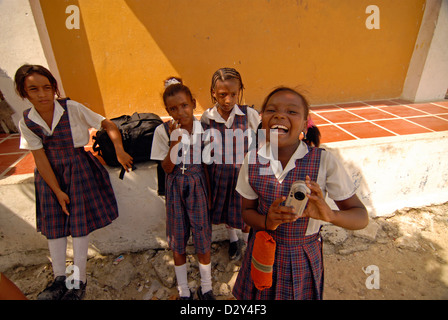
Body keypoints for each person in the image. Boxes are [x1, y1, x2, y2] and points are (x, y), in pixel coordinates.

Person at [232, 87, 368, 300]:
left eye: (292, 112)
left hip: (301, 258)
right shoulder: (252, 160)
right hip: (260, 250)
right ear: (262, 120)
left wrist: (330, 215)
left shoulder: (324, 161)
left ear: (305, 124)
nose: (280, 115)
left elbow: (361, 217)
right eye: (271, 110)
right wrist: (267, 221)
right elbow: (246, 212)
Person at [15, 64, 133, 300]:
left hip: (79, 170)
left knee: (79, 225)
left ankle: (78, 280)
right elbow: (40, 158)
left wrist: (119, 151)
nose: (42, 94)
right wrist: (56, 190)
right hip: (50, 177)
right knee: (54, 226)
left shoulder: (72, 108)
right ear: (23, 93)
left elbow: (107, 124)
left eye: (47, 88)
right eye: (34, 89)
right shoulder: (27, 122)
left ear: (54, 89)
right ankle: (60, 278)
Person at [151, 77, 214, 300]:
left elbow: (207, 166)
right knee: (178, 240)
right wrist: (174, 143)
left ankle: (206, 287)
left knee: (202, 237)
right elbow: (167, 168)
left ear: (194, 103)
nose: (180, 112)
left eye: (184, 105)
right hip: (175, 186)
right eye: (173, 109)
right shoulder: (162, 132)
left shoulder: (204, 130)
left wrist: (210, 197)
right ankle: (184, 290)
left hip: (198, 187)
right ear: (167, 110)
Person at [201, 67, 260, 260]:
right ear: (213, 93)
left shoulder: (249, 115)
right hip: (219, 175)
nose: (228, 100)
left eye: (233, 94)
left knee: (245, 210)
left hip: (245, 176)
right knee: (227, 209)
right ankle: (233, 239)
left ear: (240, 91)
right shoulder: (207, 118)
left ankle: (248, 240)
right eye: (222, 95)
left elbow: (261, 143)